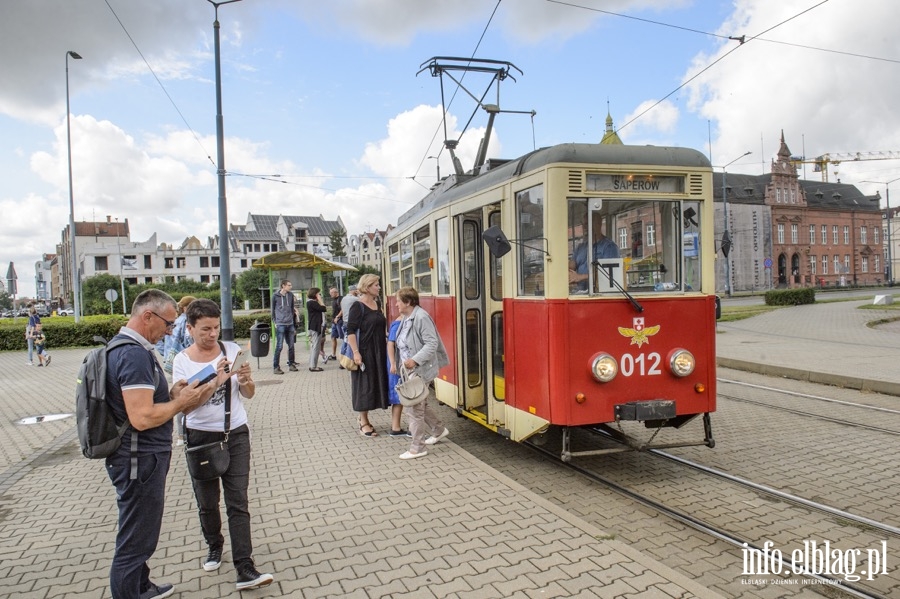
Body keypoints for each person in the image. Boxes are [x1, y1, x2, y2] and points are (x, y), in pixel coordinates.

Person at [104, 289, 208, 599]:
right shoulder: (133, 354)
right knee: (135, 538)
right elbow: (142, 416)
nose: (170, 330)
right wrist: (180, 403)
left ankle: (141, 586)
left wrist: (170, 394)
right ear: (147, 316)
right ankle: (129, 592)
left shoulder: (129, 348)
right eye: (167, 323)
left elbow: (144, 403)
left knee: (141, 532)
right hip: (139, 460)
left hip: (139, 457)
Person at [173, 298, 274, 592]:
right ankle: (214, 545)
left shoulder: (232, 350)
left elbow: (250, 394)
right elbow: (186, 407)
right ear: (190, 328)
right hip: (200, 438)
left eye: (216, 327)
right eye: (205, 329)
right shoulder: (182, 361)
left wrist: (245, 380)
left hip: (235, 433)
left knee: (237, 502)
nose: (212, 334)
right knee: (207, 503)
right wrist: (216, 380)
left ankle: (245, 567)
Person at [393, 287, 450, 459]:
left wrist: (415, 360)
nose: (396, 304)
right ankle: (439, 430)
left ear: (408, 302)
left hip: (419, 369)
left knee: (413, 408)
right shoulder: (408, 317)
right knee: (421, 404)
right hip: (411, 370)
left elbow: (431, 343)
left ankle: (417, 447)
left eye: (398, 301)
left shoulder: (421, 317)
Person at [345, 274, 389, 437]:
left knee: (375, 383)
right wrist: (356, 353)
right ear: (367, 287)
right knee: (364, 385)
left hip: (379, 349)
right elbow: (350, 331)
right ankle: (363, 421)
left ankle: (364, 418)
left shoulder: (377, 304)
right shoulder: (358, 306)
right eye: (376, 285)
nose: (379, 287)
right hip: (365, 351)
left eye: (378, 284)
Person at [163, 295, 196, 445]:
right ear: (186, 308)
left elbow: (161, 343)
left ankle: (181, 436)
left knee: (180, 393)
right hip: (185, 361)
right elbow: (189, 341)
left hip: (172, 360)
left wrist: (167, 354)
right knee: (186, 396)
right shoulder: (185, 322)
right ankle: (184, 433)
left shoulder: (174, 322)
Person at [569, 211, 620, 290]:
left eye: (587, 224)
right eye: (583, 224)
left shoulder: (609, 247)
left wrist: (580, 277)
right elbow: (571, 266)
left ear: (598, 224)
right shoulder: (580, 247)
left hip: (598, 294)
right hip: (579, 294)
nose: (584, 227)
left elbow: (609, 274)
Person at [386, 315, 408, 437]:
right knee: (400, 396)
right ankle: (396, 427)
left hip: (397, 363)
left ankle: (396, 427)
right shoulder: (398, 324)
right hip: (397, 364)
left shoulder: (399, 322)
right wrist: (393, 363)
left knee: (399, 396)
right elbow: (390, 344)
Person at [271, 279, 299, 374]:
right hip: (280, 324)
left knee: (291, 345)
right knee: (279, 346)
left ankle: (291, 364)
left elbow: (292, 308)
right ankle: (276, 367)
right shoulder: (275, 296)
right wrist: (275, 321)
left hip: (290, 323)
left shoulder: (290, 295)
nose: (290, 287)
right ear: (283, 286)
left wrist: (293, 322)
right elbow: (272, 310)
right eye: (289, 285)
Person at [306, 287, 327, 372]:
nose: (320, 295)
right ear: (315, 294)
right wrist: (320, 300)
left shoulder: (311, 303)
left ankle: (312, 364)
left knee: (314, 346)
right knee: (316, 346)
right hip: (316, 326)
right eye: (318, 293)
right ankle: (313, 366)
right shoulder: (312, 303)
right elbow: (323, 308)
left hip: (314, 326)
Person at [328, 287, 343, 360]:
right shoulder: (333, 300)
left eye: (331, 293)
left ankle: (344, 354)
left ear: (336, 292)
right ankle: (333, 354)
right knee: (333, 337)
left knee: (343, 338)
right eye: (330, 293)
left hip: (339, 321)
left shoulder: (341, 299)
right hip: (334, 321)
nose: (330, 294)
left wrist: (337, 317)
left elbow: (343, 309)